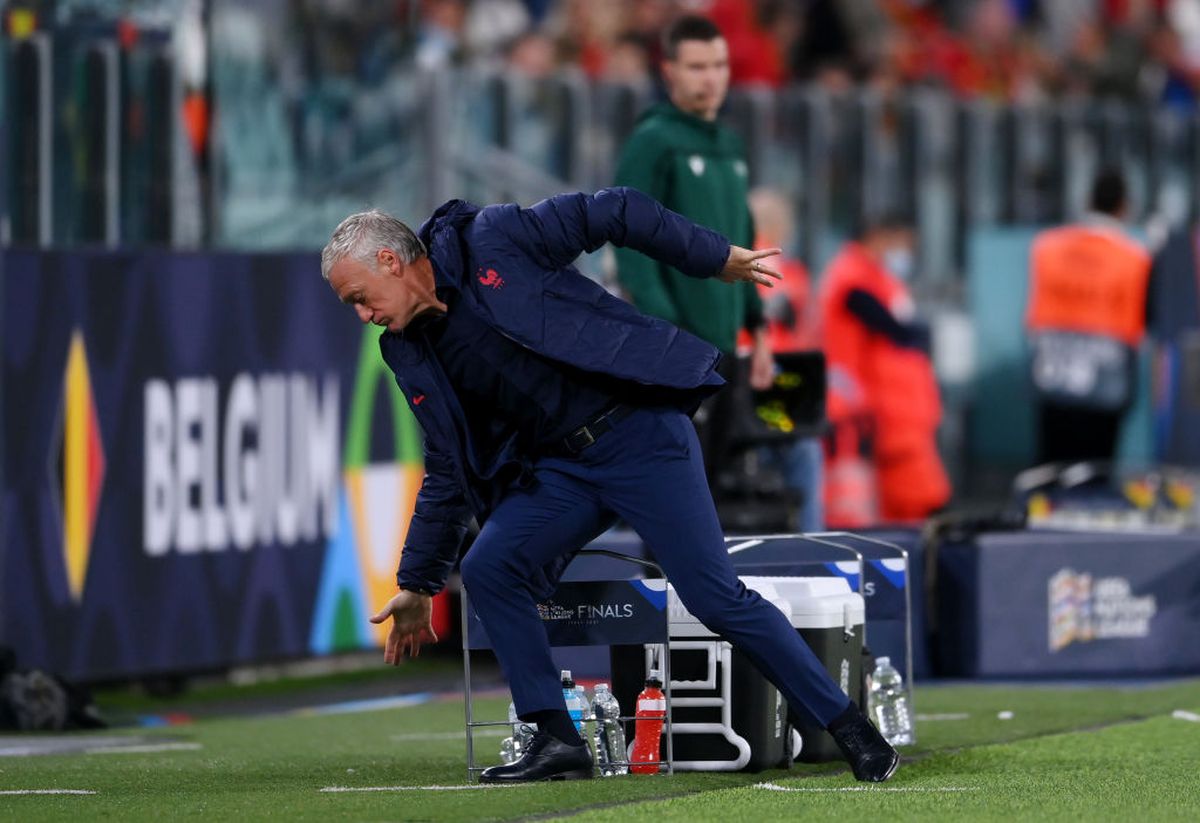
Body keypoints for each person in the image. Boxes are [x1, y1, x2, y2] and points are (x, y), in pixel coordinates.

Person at [321, 187, 899, 784]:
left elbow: (617, 209)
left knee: (713, 598)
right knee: (491, 566)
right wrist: (417, 582)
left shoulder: (494, 238)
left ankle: (850, 726)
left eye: (359, 298)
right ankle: (556, 740)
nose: (363, 316)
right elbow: (447, 464)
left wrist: (711, 257)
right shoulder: (406, 352)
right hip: (562, 470)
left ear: (390, 261)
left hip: (642, 438)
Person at [612, 14, 773, 485]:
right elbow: (628, 238)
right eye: (698, 66)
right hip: (678, 349)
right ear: (670, 73)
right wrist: (666, 328)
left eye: (719, 65)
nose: (712, 78)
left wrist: (758, 327)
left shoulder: (730, 144)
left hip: (723, 348)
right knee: (674, 485)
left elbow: (743, 243)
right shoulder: (652, 141)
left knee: (713, 481)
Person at [819, 214, 950, 525]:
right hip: (866, 403)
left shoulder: (872, 276)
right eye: (903, 244)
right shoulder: (853, 275)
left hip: (886, 403)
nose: (905, 253)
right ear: (879, 236)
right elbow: (891, 327)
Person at [1026, 170, 1152, 465]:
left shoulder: (1047, 246)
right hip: (1107, 378)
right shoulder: (1135, 257)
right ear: (1124, 206)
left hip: (1052, 372)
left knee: (1051, 467)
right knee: (1095, 471)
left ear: (1087, 201)